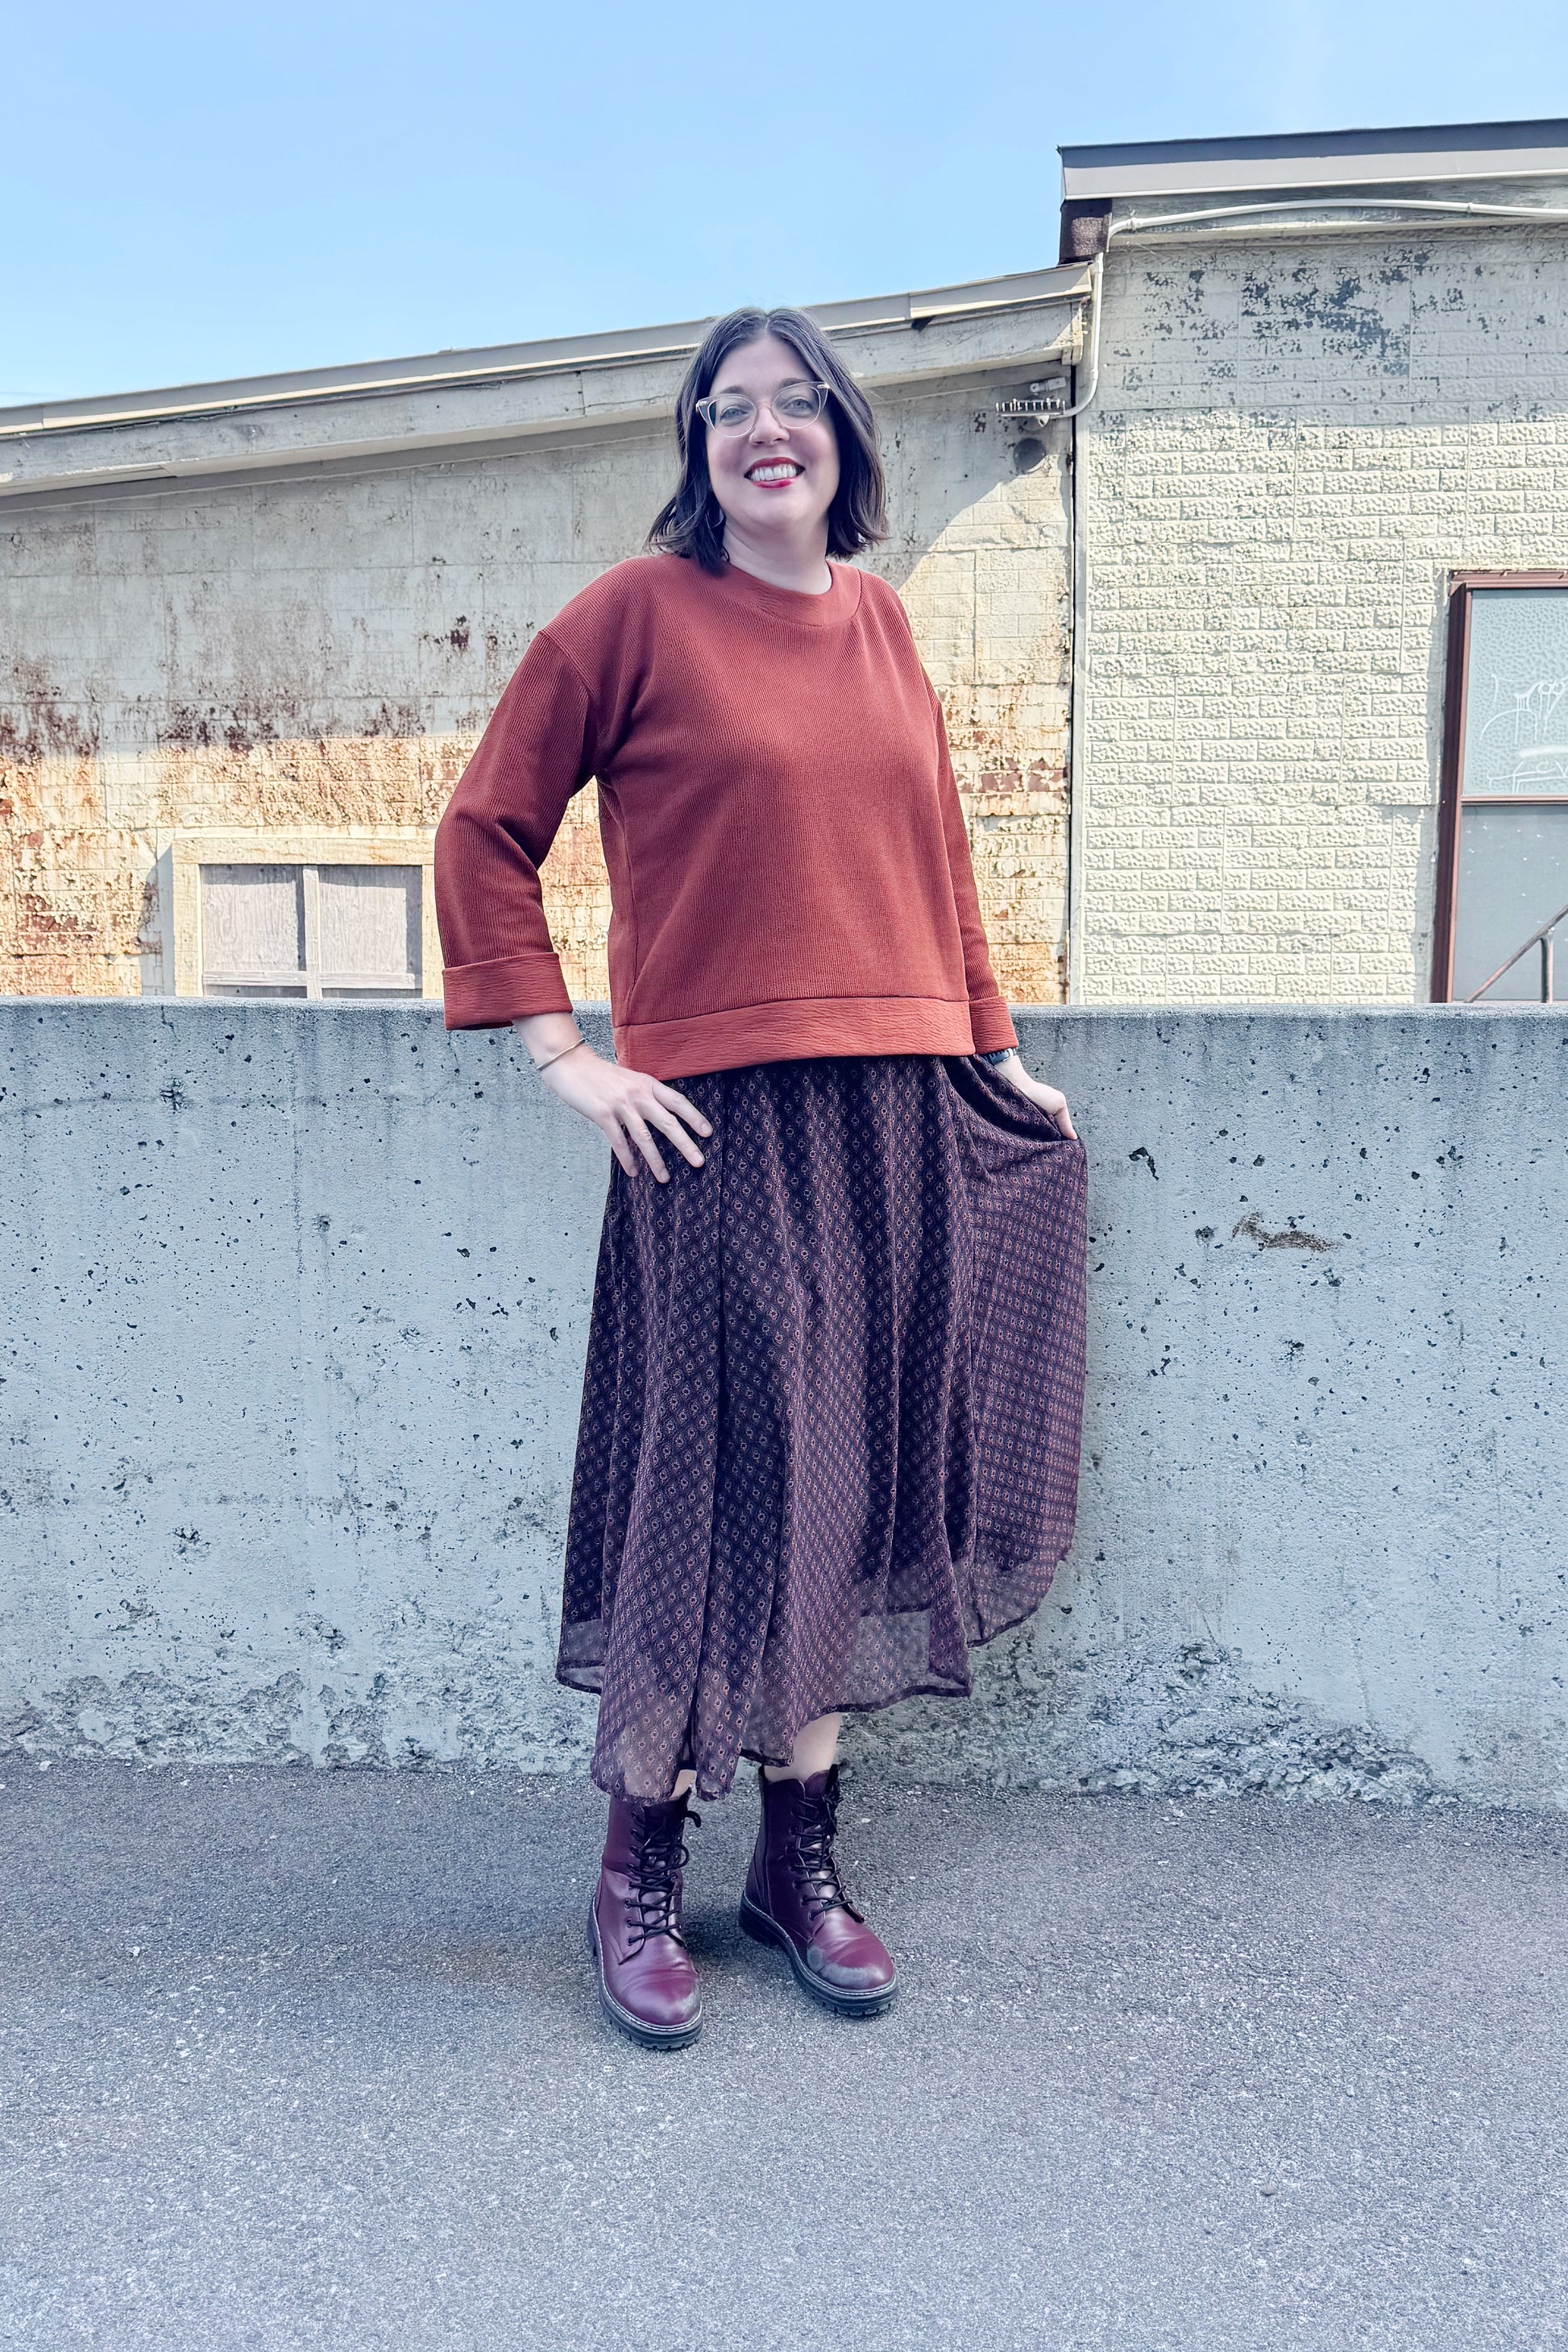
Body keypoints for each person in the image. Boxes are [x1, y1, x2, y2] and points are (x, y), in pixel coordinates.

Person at [434, 307, 1088, 2050]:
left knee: (854, 1477)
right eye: (729, 410)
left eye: (795, 405)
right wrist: (565, 1056)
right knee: (710, 1480)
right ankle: (635, 1859)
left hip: (896, 1108)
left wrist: (994, 1045)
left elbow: (936, 859)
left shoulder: (878, 623)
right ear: (698, 446)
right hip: (717, 1127)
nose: (763, 431)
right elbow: (484, 828)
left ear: (843, 442)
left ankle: (798, 1858)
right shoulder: (630, 617)